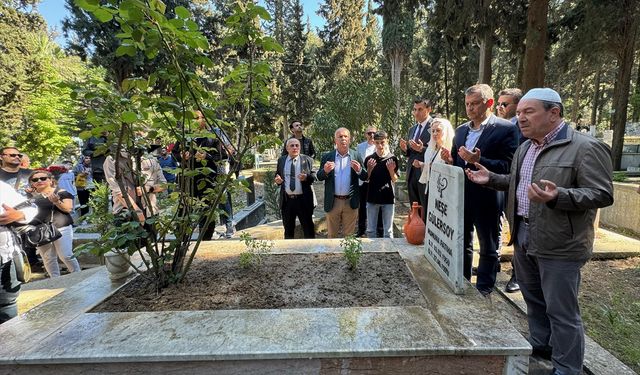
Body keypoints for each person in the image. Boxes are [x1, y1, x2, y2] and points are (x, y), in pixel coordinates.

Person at [465, 88, 614, 375]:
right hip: (523, 236)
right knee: (533, 300)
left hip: (561, 242)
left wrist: (560, 196)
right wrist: (492, 178)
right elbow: (519, 182)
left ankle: (567, 368)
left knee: (561, 311)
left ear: (554, 113)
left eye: (527, 112)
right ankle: (541, 345)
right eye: (518, 112)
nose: (519, 117)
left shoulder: (584, 147)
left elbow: (601, 194)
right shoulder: (526, 147)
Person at [441, 84, 518, 296]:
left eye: (475, 104)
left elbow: (508, 166)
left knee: (488, 244)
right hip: (462, 196)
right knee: (462, 241)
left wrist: (479, 160)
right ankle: (463, 280)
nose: (470, 108)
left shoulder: (506, 129)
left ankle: (484, 288)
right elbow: (458, 160)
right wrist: (450, 160)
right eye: (467, 104)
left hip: (489, 196)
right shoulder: (461, 130)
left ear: (489, 103)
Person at [496, 88, 525, 293]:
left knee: (517, 230)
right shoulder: (498, 127)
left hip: (519, 185)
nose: (500, 107)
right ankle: (494, 261)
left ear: (517, 106)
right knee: (499, 223)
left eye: (504, 104)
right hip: (499, 182)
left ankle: (518, 274)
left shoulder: (522, 129)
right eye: (498, 104)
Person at [28, 170, 81, 278]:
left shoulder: (61, 192)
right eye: (35, 179)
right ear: (31, 183)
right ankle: (55, 281)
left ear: (50, 180)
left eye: (43, 178)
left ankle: (78, 277)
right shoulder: (30, 197)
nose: (39, 181)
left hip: (61, 227)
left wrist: (56, 202)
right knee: (48, 258)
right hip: (40, 231)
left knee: (66, 255)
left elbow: (68, 209)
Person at [317, 128, 367, 238]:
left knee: (348, 236)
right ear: (335, 140)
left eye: (345, 136)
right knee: (332, 235)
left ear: (350, 140)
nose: (343, 139)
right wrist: (325, 171)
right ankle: (332, 254)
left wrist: (359, 170)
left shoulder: (356, 155)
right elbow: (319, 177)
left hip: (350, 201)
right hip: (333, 201)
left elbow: (365, 176)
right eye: (340, 137)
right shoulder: (327, 157)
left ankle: (347, 255)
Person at [0, 180, 37, 324]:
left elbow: (30, 208)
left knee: (6, 308)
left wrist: (19, 215)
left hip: (4, 259)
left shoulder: (2, 187)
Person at [274, 138, 317, 239]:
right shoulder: (282, 160)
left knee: (308, 229)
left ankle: (311, 250)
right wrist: (277, 180)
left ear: (300, 147)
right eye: (292, 146)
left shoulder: (307, 160)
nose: (295, 148)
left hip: (304, 200)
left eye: (297, 145)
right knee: (288, 230)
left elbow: (314, 176)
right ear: (287, 148)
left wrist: (306, 177)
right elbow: (278, 174)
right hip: (287, 201)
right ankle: (288, 252)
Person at [413, 118, 455, 214]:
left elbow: (453, 170)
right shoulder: (431, 149)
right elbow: (431, 166)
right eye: (433, 131)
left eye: (438, 130)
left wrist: (449, 161)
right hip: (431, 189)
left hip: (444, 193)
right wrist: (422, 164)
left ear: (446, 131)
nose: (435, 133)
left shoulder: (451, 149)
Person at [400, 97, 434, 215]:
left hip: (426, 174)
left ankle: (426, 233)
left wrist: (422, 149)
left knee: (426, 209)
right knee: (415, 210)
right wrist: (405, 150)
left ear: (429, 109)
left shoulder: (435, 127)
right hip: (411, 174)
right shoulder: (412, 129)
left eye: (420, 109)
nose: (416, 113)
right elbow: (411, 152)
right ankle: (417, 232)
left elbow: (438, 150)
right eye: (414, 110)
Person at [363, 131, 398, 238]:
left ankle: (389, 252)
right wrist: (369, 169)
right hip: (372, 197)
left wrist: (391, 170)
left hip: (388, 197)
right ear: (374, 143)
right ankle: (371, 252)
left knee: (388, 231)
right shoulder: (369, 159)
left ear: (387, 141)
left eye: (382, 142)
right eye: (377, 143)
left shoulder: (392, 159)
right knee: (370, 230)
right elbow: (366, 179)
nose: (380, 145)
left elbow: (395, 179)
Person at [356, 126, 382, 237]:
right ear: (365, 134)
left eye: (374, 133)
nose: (371, 135)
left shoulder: (381, 145)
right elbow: (358, 162)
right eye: (369, 133)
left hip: (377, 182)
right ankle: (361, 229)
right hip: (363, 182)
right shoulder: (360, 147)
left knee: (379, 205)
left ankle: (379, 230)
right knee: (362, 206)